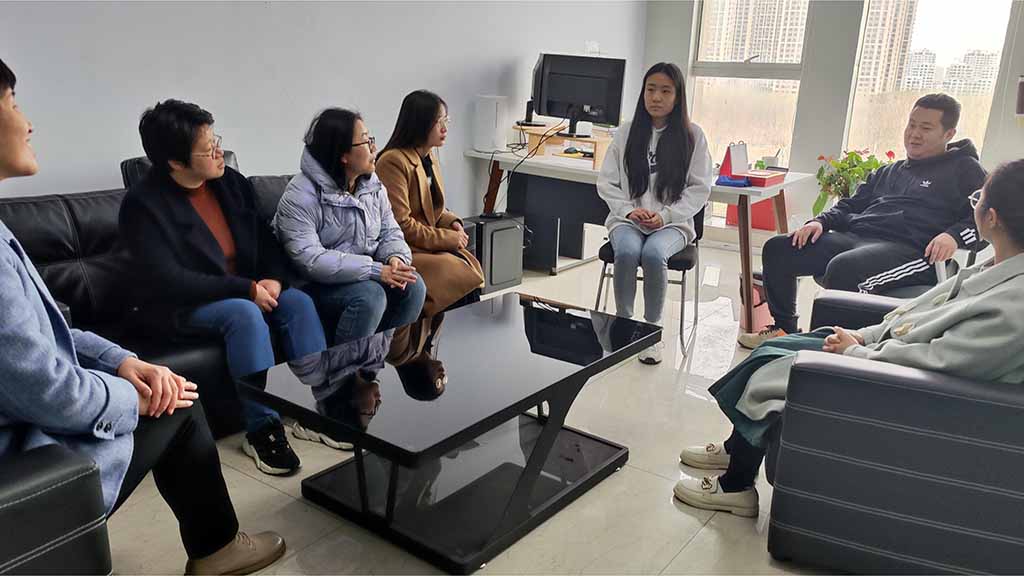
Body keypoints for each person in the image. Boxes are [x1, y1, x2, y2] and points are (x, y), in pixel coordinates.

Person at [0, 58, 284, 575]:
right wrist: (131, 396)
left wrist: (121, 361)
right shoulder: (145, 204)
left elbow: (48, 332)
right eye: (12, 104)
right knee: (177, 405)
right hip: (24, 454)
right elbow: (48, 391)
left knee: (182, 378)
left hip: (37, 411)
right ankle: (220, 547)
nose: (28, 122)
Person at [675, 160, 1024, 518]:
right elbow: (912, 313)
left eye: (978, 199)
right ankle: (736, 449)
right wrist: (862, 334)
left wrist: (856, 352)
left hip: (891, 380)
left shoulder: (1012, 309)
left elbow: (936, 364)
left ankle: (736, 487)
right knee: (774, 347)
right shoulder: (992, 269)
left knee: (774, 369)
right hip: (880, 347)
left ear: (991, 217)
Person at [119, 100, 326, 476]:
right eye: (208, 148)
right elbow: (169, 280)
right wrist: (246, 289)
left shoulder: (230, 183)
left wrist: (274, 278)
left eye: (217, 141)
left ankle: (318, 409)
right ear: (176, 162)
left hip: (242, 289)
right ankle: (262, 429)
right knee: (243, 314)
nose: (219, 152)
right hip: (180, 305)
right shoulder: (142, 204)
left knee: (297, 302)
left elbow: (265, 239)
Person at [739, 93, 987, 350]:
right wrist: (820, 222)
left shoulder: (964, 170)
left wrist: (953, 236)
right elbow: (850, 205)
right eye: (911, 125)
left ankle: (826, 348)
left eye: (925, 128)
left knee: (845, 269)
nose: (914, 134)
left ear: (948, 134)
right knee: (779, 249)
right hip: (858, 237)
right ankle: (784, 331)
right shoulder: (889, 171)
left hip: (914, 250)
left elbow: (987, 223)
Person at [273, 108, 426, 347]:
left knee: (413, 285)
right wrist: (375, 270)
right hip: (313, 285)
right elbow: (311, 260)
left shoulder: (371, 185)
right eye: (366, 141)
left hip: (361, 275)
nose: (374, 148)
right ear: (343, 155)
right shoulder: (300, 195)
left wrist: (395, 258)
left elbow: (390, 231)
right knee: (370, 296)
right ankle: (346, 367)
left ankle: (377, 356)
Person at [597, 62, 713, 365]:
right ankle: (624, 325)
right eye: (650, 89)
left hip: (673, 223)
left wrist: (666, 216)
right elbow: (606, 182)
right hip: (628, 220)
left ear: (678, 96)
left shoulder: (693, 136)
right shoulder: (626, 133)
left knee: (653, 254)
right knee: (627, 251)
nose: (656, 97)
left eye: (665, 91)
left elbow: (700, 189)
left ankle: (651, 333)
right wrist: (628, 211)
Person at [376, 91, 484, 373]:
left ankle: (459, 339)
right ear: (421, 123)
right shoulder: (393, 161)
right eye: (440, 122)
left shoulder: (428, 157)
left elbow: (434, 210)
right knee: (458, 269)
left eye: (446, 120)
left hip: (425, 244)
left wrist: (453, 222)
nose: (445, 128)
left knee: (466, 268)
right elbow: (401, 224)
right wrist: (448, 239)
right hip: (401, 250)